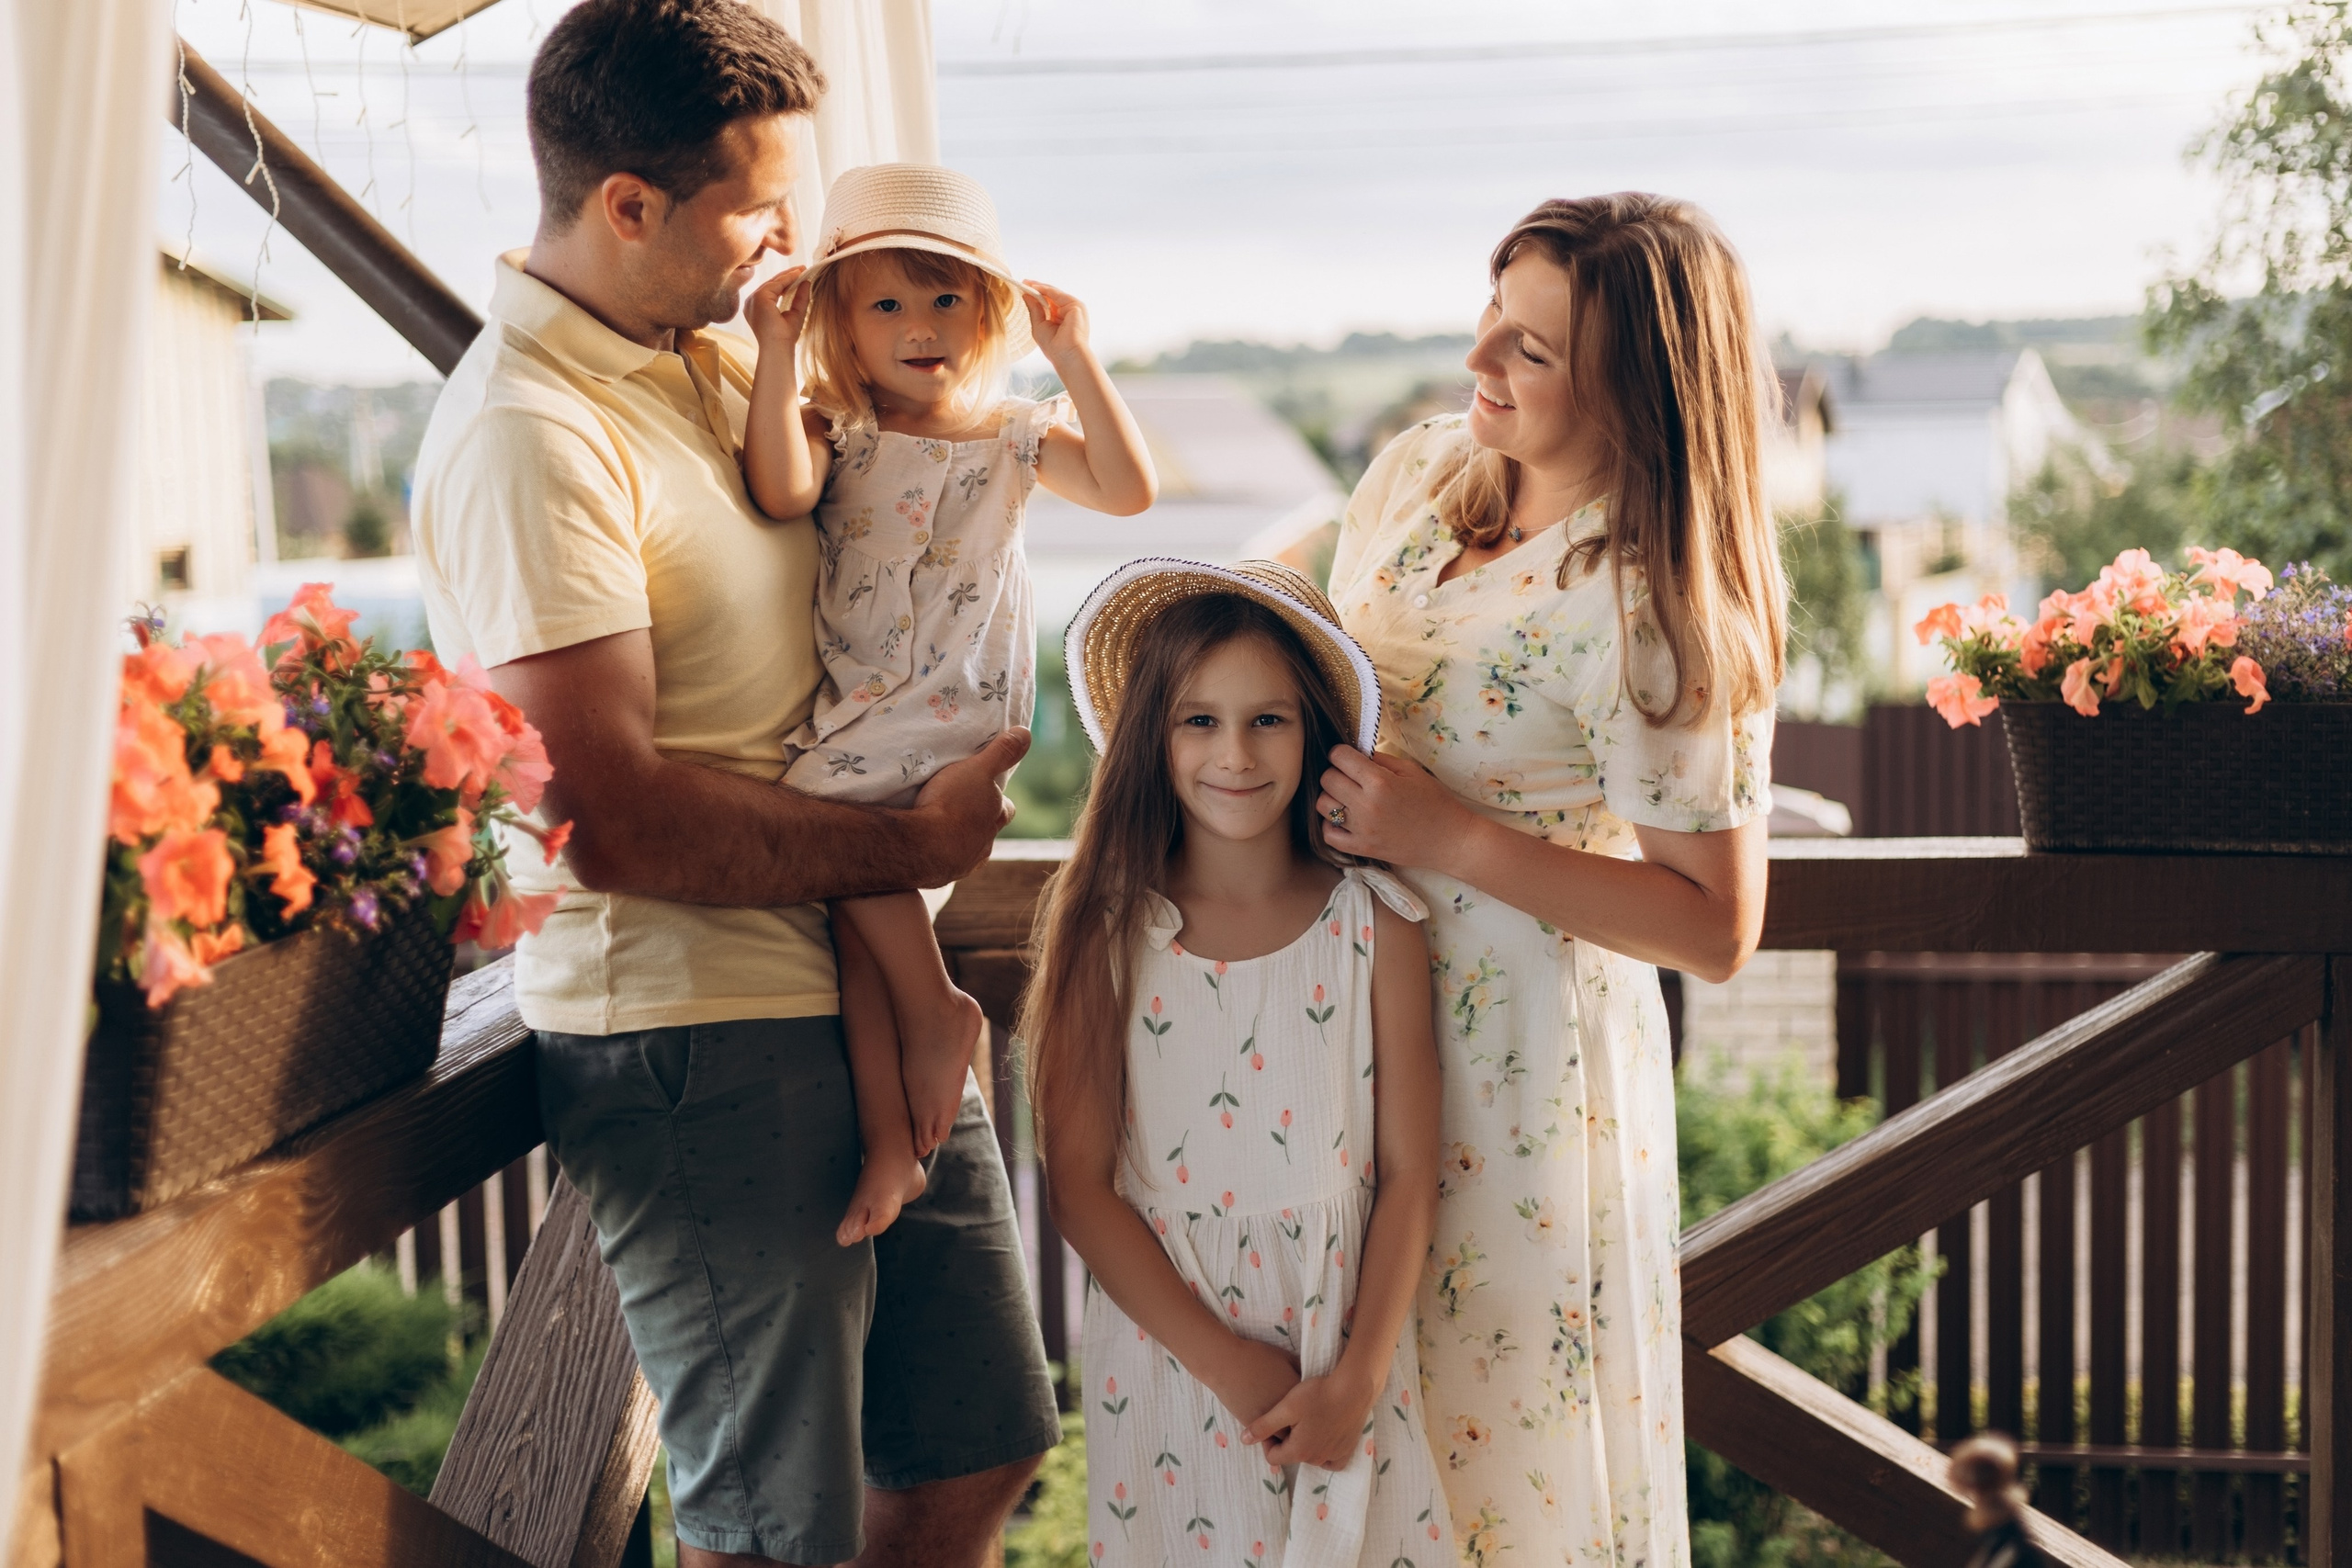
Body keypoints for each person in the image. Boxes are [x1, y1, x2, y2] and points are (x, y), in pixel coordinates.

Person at [407, 4, 1059, 1564]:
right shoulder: (530, 432)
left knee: (978, 1443)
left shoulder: (705, 359)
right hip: (700, 1037)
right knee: (778, 1530)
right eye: (758, 204)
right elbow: (606, 810)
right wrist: (908, 837)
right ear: (629, 206)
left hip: (844, 982)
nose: (789, 240)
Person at [1312, 194, 1784, 1566]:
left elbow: (1716, 928)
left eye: (1531, 349)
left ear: (1637, 386)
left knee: (1492, 1457)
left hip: (1515, 1077)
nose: (1481, 361)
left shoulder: (1657, 607)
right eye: (1490, 314)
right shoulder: (1416, 478)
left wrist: (1451, 836)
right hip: (1334, 1022)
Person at [738, 163, 1155, 1245]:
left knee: (824, 832)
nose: (920, 325)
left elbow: (1125, 490)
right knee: (850, 933)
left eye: (946, 298)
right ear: (840, 316)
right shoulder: (840, 428)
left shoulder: (1014, 434)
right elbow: (777, 490)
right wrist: (774, 353)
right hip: (871, 702)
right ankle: (892, 1143)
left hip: (955, 705)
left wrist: (1076, 358)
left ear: (987, 312)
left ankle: (936, 1012)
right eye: (886, 302)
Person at [1024, 559, 1456, 1566]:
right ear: (1153, 738)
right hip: (1179, 1368)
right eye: (1198, 721)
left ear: (1313, 733)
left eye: (1268, 720)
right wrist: (1226, 1366)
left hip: (1351, 1352)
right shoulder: (1109, 931)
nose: (1235, 753)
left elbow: (1407, 1178)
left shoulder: (1377, 926)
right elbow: (1081, 1190)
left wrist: (1353, 1379)